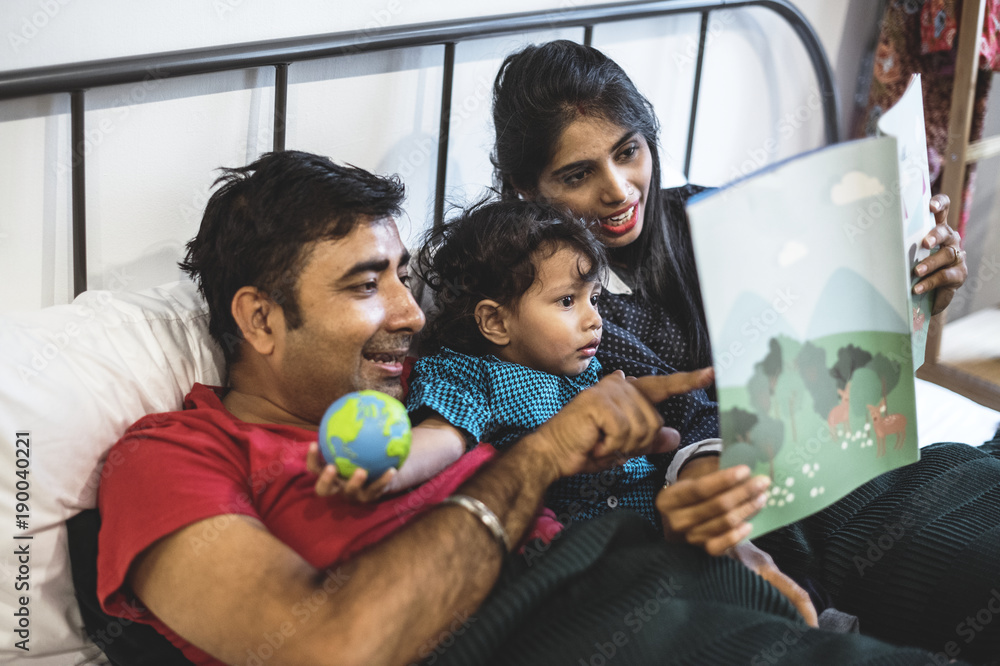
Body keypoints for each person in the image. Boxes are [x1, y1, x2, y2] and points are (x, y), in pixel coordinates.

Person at [92, 150, 965, 666]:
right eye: (368, 284)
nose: (411, 312)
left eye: (403, 276)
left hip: (670, 565)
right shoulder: (171, 455)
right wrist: (544, 453)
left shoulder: (437, 381)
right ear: (258, 318)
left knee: (949, 497)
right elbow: (326, 647)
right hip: (555, 629)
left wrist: (714, 538)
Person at [491, 39, 1000, 661]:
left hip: (869, 456)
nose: (619, 191)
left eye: (629, 151)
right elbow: (680, 416)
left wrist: (916, 287)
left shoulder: (715, 217)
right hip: (783, 514)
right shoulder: (539, 309)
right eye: (577, 175)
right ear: (524, 189)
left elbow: (826, 322)